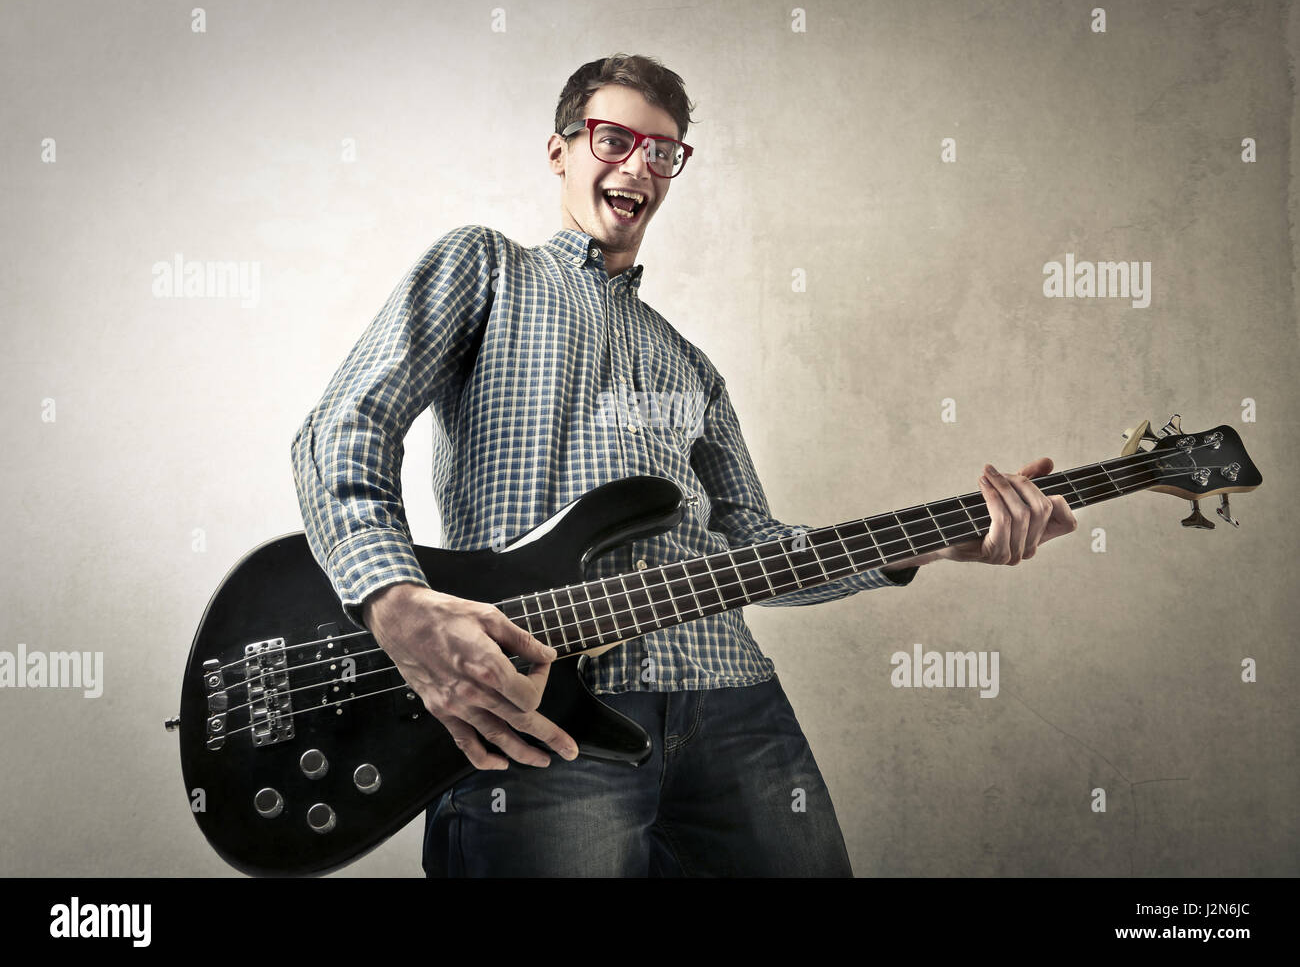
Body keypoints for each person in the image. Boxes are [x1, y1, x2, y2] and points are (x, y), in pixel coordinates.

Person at [291, 53, 1077, 877]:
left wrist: (944, 541)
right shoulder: (485, 266)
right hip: (536, 708)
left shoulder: (693, 366)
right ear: (559, 150)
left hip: (735, 704)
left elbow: (756, 545)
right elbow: (343, 425)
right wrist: (394, 600)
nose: (639, 165)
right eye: (613, 138)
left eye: (662, 151)